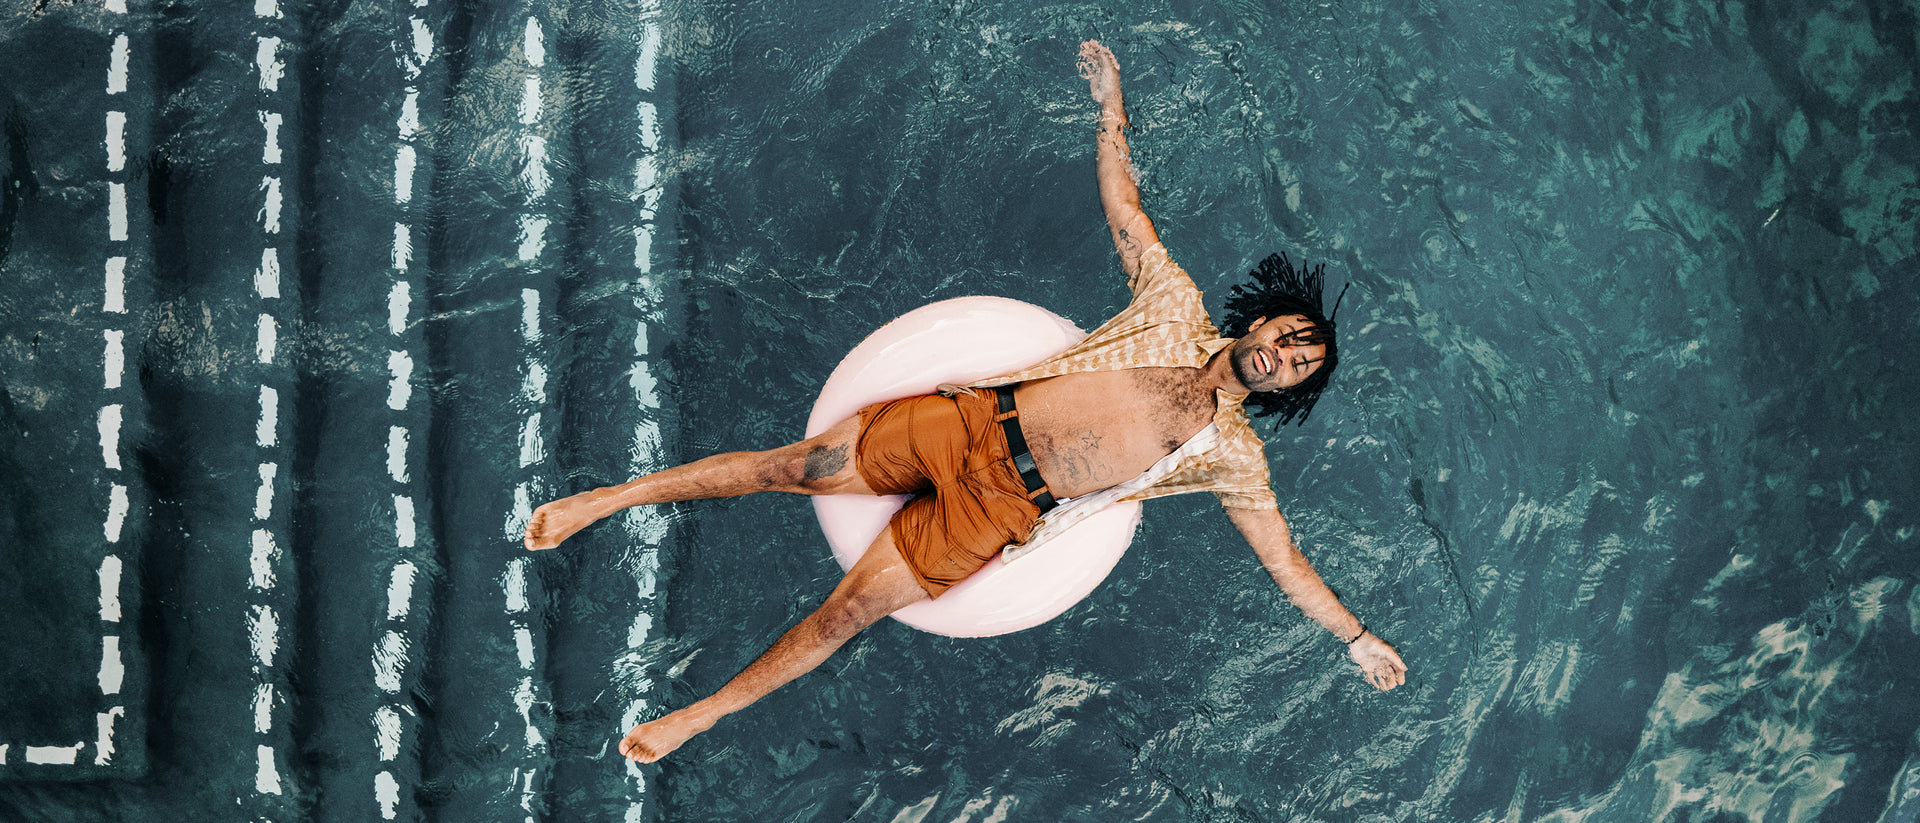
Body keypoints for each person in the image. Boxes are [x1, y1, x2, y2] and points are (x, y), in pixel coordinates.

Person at [524, 40, 1408, 764]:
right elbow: (1125, 204)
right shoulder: (1173, 303)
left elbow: (1285, 560)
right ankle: (609, 500)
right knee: (782, 469)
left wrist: (1356, 637)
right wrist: (1112, 109)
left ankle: (702, 714)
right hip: (971, 423)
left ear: (1287, 391)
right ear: (1264, 319)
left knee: (847, 613)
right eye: (1289, 336)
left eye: (1298, 367)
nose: (1283, 356)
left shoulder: (1231, 453)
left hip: (1002, 511)